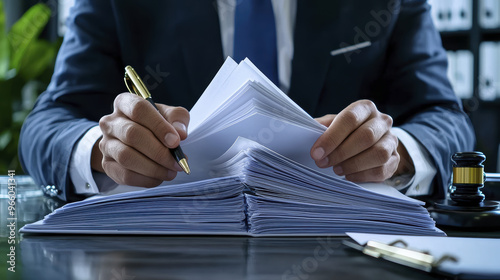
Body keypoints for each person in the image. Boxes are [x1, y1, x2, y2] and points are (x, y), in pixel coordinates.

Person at [19, 0, 475, 202]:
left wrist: (397, 152)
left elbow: (444, 117)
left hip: (342, 248)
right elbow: (48, 122)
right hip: (167, 255)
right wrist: (104, 148)